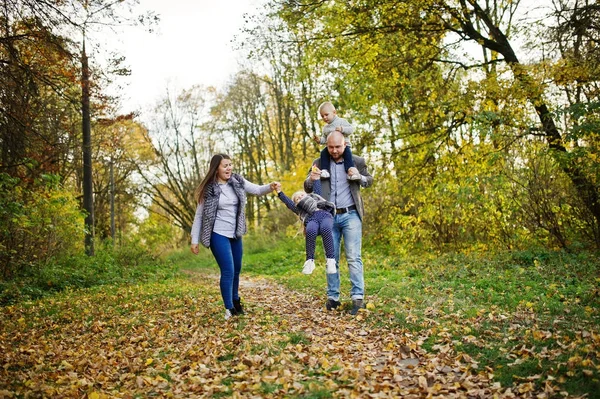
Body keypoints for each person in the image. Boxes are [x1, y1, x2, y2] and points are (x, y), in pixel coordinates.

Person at [190, 154, 280, 320]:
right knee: (228, 270)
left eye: (230, 165)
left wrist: (271, 186)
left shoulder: (237, 181)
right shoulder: (209, 189)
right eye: (225, 166)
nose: (229, 168)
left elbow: (258, 190)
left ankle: (236, 300)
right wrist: (194, 240)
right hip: (218, 234)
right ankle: (229, 308)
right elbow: (199, 216)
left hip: (235, 233)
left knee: (237, 269)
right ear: (216, 168)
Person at [305, 131, 374, 315]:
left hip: (351, 214)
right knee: (331, 259)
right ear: (326, 146)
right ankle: (333, 298)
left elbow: (369, 180)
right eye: (331, 147)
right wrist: (311, 179)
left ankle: (357, 299)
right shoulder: (318, 162)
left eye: (338, 147)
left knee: (353, 257)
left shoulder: (357, 161)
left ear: (345, 145)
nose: (334, 151)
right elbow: (307, 187)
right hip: (328, 216)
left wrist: (358, 176)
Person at [275, 187, 337, 275]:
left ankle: (331, 260)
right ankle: (309, 262)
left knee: (325, 229)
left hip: (325, 216)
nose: (300, 197)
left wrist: (316, 177)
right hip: (311, 219)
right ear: (296, 203)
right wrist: (279, 192)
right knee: (310, 231)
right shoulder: (299, 209)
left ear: (307, 195)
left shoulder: (315, 198)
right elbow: (288, 203)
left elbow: (317, 187)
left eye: (301, 195)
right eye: (298, 198)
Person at [313, 101, 361, 181]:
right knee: (323, 153)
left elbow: (351, 129)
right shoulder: (325, 128)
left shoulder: (341, 121)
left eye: (326, 115)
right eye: (322, 116)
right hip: (331, 148)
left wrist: (342, 129)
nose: (324, 117)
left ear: (334, 112)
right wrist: (319, 140)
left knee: (348, 156)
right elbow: (325, 140)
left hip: (344, 146)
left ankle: (351, 171)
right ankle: (325, 171)